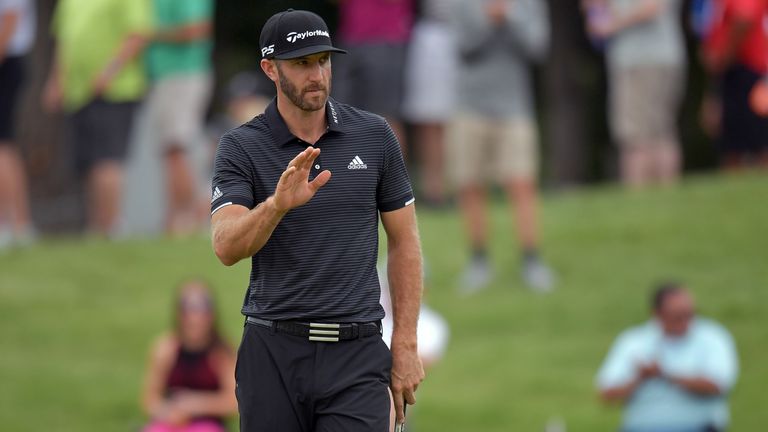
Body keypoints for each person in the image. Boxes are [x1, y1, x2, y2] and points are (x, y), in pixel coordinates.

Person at [210, 9, 424, 432]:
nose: (317, 74)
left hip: (357, 353)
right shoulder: (240, 147)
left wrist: (405, 341)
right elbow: (226, 247)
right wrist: (276, 206)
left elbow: (405, 240)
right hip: (272, 351)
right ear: (270, 69)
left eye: (323, 60)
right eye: (301, 63)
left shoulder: (375, 135)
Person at [449, 0, 554, 293]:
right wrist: (487, 20)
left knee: (521, 184)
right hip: (468, 107)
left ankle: (531, 261)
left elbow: (538, 47)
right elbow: (461, 47)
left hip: (515, 108)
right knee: (470, 186)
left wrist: (509, 16)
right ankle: (479, 262)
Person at [43, 0, 151, 236]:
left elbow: (138, 35)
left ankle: (112, 225)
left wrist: (108, 72)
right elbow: (64, 40)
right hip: (77, 92)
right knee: (88, 162)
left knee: (108, 159)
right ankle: (96, 228)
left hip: (115, 90)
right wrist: (56, 80)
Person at [596, 283, 739, 432]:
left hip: (697, 426)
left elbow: (717, 386)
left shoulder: (712, 337)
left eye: (689, 314)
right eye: (677, 316)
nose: (685, 322)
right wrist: (639, 378)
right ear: (657, 314)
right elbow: (606, 394)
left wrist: (665, 374)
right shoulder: (634, 341)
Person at [585, 0, 687, 187]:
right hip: (640, 61)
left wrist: (613, 24)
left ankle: (643, 201)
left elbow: (652, 7)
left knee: (639, 138)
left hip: (645, 60)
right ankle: (662, 202)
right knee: (654, 134)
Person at [145, 0, 214, 235]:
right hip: (172, 76)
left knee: (176, 148)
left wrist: (149, 34)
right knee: (174, 149)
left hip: (181, 74)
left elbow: (197, 28)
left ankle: (185, 220)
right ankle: (178, 218)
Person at [142, 279, 237, 432]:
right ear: (179, 314)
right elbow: (150, 399)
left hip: (208, 424)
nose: (196, 317)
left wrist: (195, 405)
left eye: (203, 308)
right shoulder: (166, 349)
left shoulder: (221, 352)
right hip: (170, 422)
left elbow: (233, 403)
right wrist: (167, 412)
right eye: (189, 309)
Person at [332, 0, 415, 152]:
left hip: (387, 39)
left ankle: (393, 175)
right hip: (350, 38)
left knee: (386, 116)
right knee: (339, 114)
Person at [402, 0, 458, 206]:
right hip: (432, 35)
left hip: (464, 31)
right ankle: (433, 189)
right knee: (428, 117)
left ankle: (458, 186)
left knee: (458, 120)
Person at [701, 0, 768, 169]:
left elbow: (744, 19)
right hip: (738, 70)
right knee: (733, 145)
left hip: (752, 69)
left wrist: (724, 56)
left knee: (758, 144)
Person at [0, 0, 35, 249]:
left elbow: (10, 18)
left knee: (3, 143)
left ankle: (14, 224)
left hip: (7, 62)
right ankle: (16, 223)